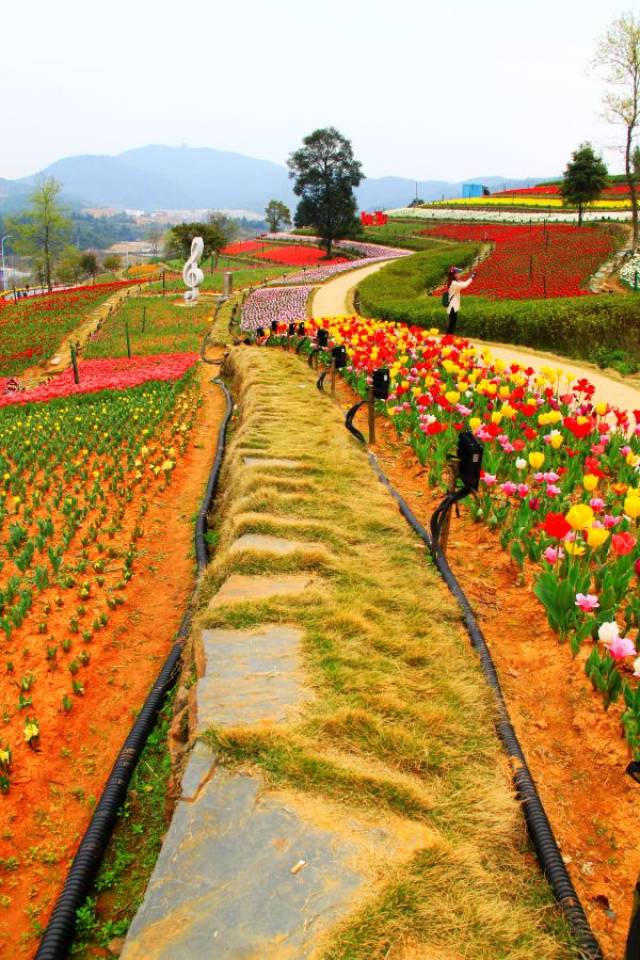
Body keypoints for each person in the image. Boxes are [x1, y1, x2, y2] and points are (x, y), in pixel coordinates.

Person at [445, 266, 476, 335]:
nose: (460, 274)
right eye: (458, 273)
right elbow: (464, 285)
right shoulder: (454, 283)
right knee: (452, 323)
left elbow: (462, 283)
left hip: (452, 306)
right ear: (454, 275)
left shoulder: (454, 282)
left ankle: (449, 337)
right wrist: (472, 277)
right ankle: (448, 337)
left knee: (452, 322)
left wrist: (471, 277)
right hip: (452, 306)